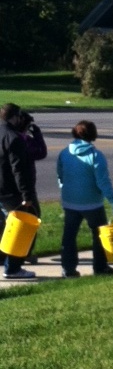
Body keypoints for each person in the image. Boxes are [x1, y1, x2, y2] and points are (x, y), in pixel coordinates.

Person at [57, 120, 113, 277]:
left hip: (70, 201)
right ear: (93, 134)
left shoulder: (64, 153)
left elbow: (60, 176)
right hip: (92, 203)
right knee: (99, 234)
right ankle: (100, 267)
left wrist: (66, 191)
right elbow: (102, 181)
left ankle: (68, 269)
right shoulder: (96, 155)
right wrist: (112, 199)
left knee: (69, 236)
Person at [0, 103, 38, 279]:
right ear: (15, 117)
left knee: (4, 225)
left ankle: (5, 259)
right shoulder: (14, 138)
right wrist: (27, 196)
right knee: (22, 225)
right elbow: (19, 170)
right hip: (11, 190)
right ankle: (13, 267)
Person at [17, 111, 47, 263]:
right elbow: (41, 153)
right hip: (24, 187)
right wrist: (38, 135)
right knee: (32, 218)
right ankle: (25, 252)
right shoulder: (23, 140)